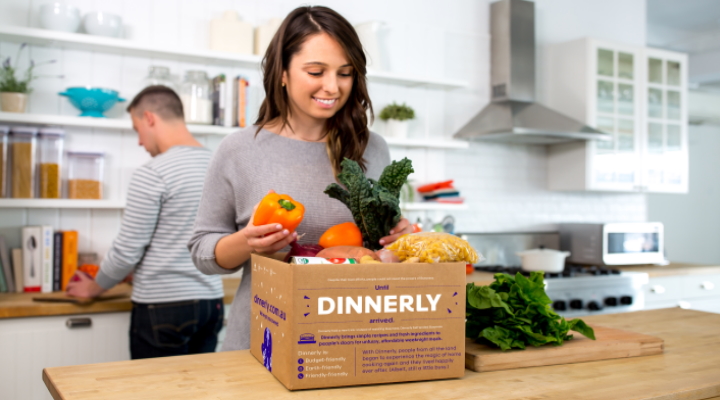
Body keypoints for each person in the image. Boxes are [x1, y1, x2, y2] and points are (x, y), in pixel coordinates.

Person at [188, 6, 413, 351]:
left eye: (345, 73)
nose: (332, 87)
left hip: (355, 340)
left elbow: (377, 250)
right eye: (315, 71)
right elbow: (203, 252)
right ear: (282, 72)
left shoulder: (373, 148)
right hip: (263, 341)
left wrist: (400, 239)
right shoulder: (239, 149)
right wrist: (247, 243)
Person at [67, 85, 225, 359]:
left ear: (150, 118)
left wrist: (93, 288)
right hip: (211, 304)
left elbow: (127, 249)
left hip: (162, 308)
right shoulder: (219, 165)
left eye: (136, 128)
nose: (139, 141)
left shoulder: (153, 173)